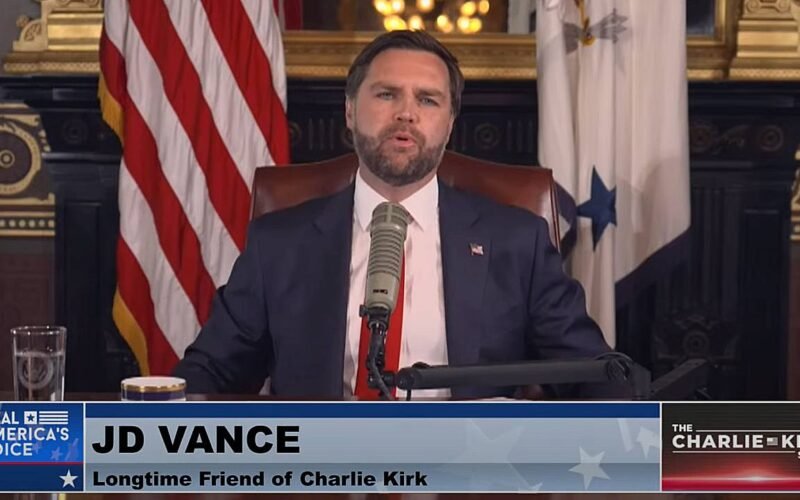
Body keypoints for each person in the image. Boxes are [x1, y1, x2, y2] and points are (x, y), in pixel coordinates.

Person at [174, 30, 630, 400]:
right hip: (324, 471)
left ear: (449, 124)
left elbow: (594, 375)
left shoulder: (517, 242)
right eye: (387, 94)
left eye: (427, 100)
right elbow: (209, 374)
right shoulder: (280, 244)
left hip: (469, 470)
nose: (406, 114)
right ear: (350, 111)